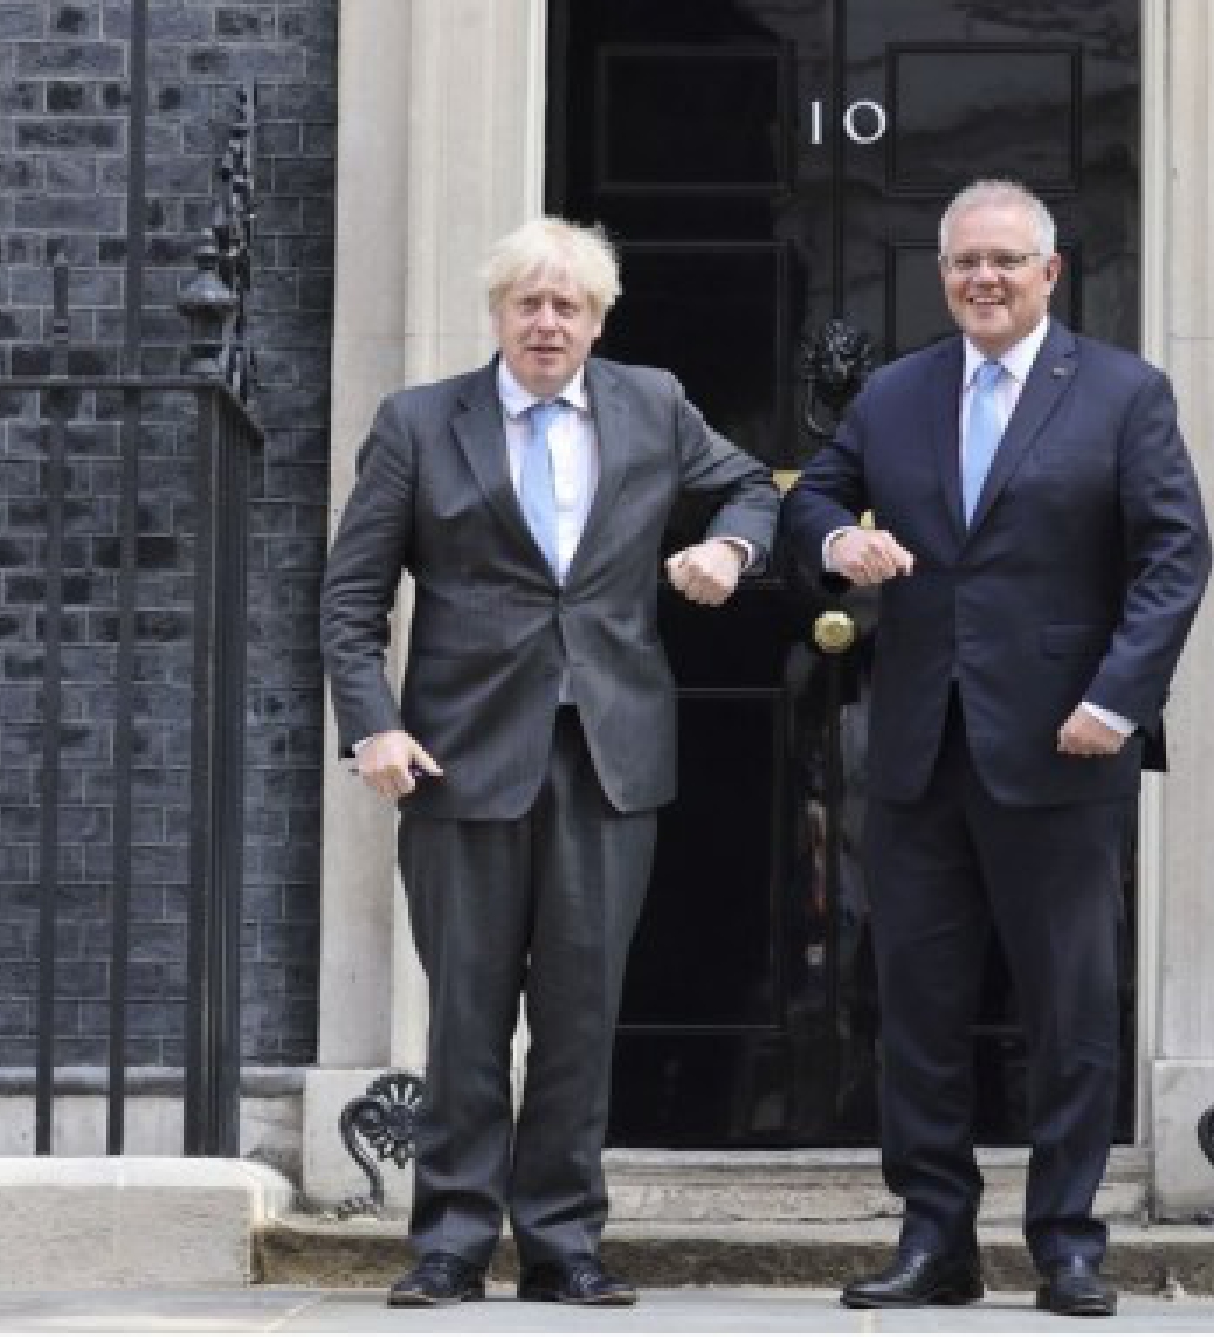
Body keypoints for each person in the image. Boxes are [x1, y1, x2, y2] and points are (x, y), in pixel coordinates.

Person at [320, 217, 779, 1309]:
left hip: (607, 755)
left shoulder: (651, 404)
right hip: (457, 757)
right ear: (497, 314)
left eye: (566, 304)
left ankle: (564, 1238)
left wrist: (728, 547)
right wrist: (372, 723)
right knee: (467, 1012)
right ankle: (450, 1240)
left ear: (598, 319)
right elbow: (349, 599)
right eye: (527, 302)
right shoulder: (421, 423)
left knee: (582, 1011)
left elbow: (752, 486)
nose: (545, 321)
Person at [780, 179, 1211, 1318]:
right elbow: (814, 492)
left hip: (1065, 746)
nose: (983, 278)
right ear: (942, 274)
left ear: (1048, 272)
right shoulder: (894, 393)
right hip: (920, 747)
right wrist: (833, 538)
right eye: (964, 261)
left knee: (1068, 1010)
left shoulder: (1121, 393)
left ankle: (1067, 1242)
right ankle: (936, 1240)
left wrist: (1116, 700)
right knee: (914, 1008)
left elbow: (1173, 557)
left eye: (1005, 262)